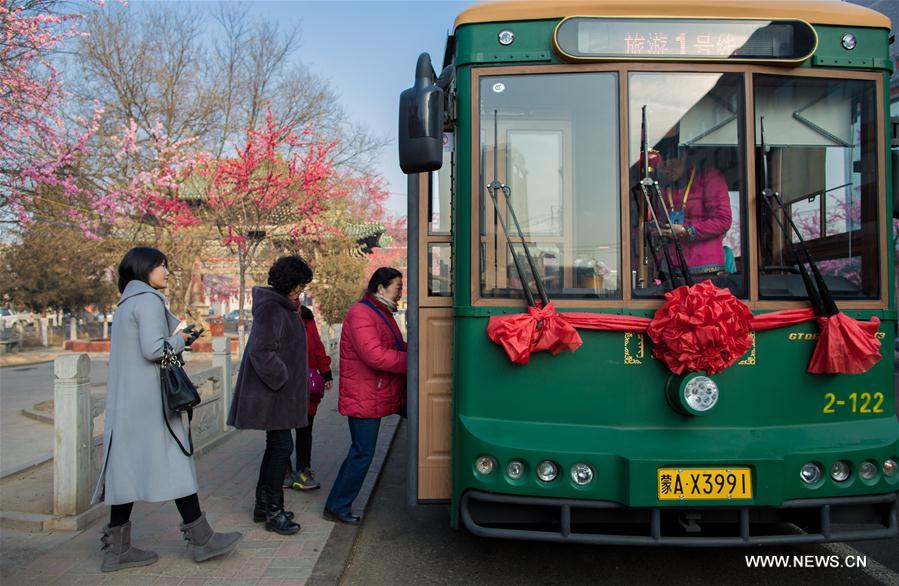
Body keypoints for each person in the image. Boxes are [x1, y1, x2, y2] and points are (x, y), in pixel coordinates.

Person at [91, 247, 241, 573]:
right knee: (176, 463)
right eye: (162, 265)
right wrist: (181, 341)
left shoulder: (126, 302)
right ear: (145, 268)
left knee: (125, 471)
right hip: (152, 404)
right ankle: (201, 540)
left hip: (130, 406)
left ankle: (117, 549)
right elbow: (153, 349)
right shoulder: (148, 301)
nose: (167, 271)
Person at [227, 255, 311, 536]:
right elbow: (262, 351)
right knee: (282, 449)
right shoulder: (273, 308)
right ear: (289, 282)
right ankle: (273, 513)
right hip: (275, 395)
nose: (302, 290)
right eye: (299, 285)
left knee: (277, 448)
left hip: (279, 395)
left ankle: (263, 506)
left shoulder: (282, 306)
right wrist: (284, 378)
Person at [324, 267, 407, 524]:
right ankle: (337, 506)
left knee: (428, 421)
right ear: (380, 288)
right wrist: (414, 360)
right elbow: (375, 355)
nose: (400, 293)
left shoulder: (381, 311)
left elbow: (395, 347)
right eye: (397, 287)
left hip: (379, 390)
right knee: (363, 452)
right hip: (365, 394)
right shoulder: (362, 313)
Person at [657, 143, 732, 276]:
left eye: (673, 159)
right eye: (665, 160)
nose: (668, 165)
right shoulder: (665, 186)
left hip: (705, 267)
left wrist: (686, 231)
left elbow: (723, 220)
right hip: (671, 266)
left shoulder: (710, 178)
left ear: (686, 157)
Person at [284, 303, 332, 491]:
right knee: (283, 430)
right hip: (284, 385)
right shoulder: (277, 314)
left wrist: (326, 372)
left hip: (307, 384)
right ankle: (284, 470)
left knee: (305, 429)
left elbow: (317, 345)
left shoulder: (306, 317)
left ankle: (303, 470)